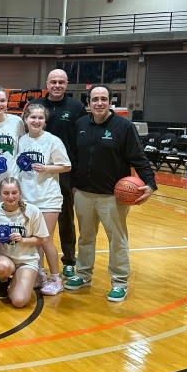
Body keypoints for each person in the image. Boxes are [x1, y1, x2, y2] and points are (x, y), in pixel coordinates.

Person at [64, 85, 156, 302]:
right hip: (84, 194)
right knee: (85, 237)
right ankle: (83, 274)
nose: (99, 103)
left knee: (117, 239)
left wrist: (150, 184)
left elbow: (138, 157)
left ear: (110, 102)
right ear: (88, 103)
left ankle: (119, 282)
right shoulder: (80, 125)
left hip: (112, 197)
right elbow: (74, 158)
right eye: (95, 99)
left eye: (103, 99)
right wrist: (74, 185)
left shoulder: (123, 127)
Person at [35, 69, 87, 280]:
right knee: (34, 217)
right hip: (37, 172)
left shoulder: (76, 107)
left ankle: (68, 260)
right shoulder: (36, 105)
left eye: (61, 82)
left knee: (66, 217)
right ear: (47, 83)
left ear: (67, 84)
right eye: (53, 82)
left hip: (64, 171)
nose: (57, 85)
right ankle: (33, 261)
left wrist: (77, 174)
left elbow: (81, 140)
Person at [16, 103, 71, 296]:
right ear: (26, 120)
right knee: (34, 241)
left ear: (45, 121)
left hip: (48, 197)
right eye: (33, 117)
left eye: (40, 118)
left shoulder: (52, 141)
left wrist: (46, 168)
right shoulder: (22, 140)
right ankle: (39, 274)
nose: (36, 121)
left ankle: (56, 278)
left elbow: (66, 165)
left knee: (46, 239)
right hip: (28, 197)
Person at [0, 177, 49, 308]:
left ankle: (16, 280)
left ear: (20, 193)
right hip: (4, 258)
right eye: (6, 193)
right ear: (0, 194)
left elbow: (42, 239)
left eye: (14, 193)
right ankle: (4, 280)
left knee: (19, 301)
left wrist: (23, 239)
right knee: (3, 267)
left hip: (26, 260)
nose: (10, 197)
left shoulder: (33, 211)